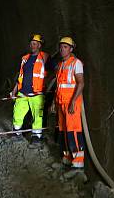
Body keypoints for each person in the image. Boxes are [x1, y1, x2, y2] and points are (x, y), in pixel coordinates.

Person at [10, 34, 51, 143]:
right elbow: (20, 76)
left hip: (37, 94)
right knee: (17, 113)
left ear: (39, 45)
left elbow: (56, 69)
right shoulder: (25, 58)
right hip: (22, 93)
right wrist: (14, 90)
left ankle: (36, 137)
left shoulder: (45, 57)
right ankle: (16, 133)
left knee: (37, 116)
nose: (32, 46)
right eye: (31, 43)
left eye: (35, 44)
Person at [52, 36, 85, 168]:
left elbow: (81, 83)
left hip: (71, 104)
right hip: (61, 103)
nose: (62, 49)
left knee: (74, 131)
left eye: (65, 47)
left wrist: (72, 102)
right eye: (61, 47)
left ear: (71, 49)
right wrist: (54, 103)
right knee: (63, 130)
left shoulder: (75, 63)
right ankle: (67, 157)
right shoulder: (60, 65)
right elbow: (59, 85)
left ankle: (78, 164)